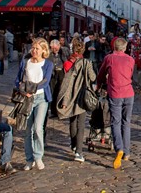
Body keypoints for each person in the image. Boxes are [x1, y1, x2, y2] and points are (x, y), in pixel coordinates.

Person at [96, 37, 135, 169]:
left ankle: (119, 148)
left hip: (115, 93)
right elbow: (130, 74)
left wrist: (99, 84)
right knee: (126, 122)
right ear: (125, 48)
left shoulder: (109, 58)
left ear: (114, 47)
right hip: (129, 93)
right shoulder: (131, 59)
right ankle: (127, 152)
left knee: (115, 122)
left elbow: (101, 74)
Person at [15, 37, 53, 171]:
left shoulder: (48, 64)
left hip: (41, 97)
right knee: (28, 130)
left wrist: (31, 89)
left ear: (44, 50)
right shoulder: (26, 62)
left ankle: (38, 157)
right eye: (33, 48)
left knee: (38, 127)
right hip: (27, 99)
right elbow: (18, 80)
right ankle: (29, 159)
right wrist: (23, 91)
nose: (34, 51)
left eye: (37, 48)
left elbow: (46, 81)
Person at [57, 39, 96, 163]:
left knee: (72, 121)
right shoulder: (86, 62)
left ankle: (74, 145)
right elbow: (93, 77)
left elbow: (66, 83)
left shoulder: (68, 63)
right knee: (81, 124)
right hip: (82, 95)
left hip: (70, 96)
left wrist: (64, 100)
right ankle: (79, 152)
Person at [48, 39, 69, 118]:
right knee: (53, 91)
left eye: (55, 48)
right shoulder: (50, 53)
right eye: (52, 48)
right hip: (53, 73)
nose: (54, 50)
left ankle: (60, 110)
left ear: (59, 46)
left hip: (62, 72)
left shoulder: (64, 51)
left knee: (61, 91)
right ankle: (53, 111)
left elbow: (67, 60)